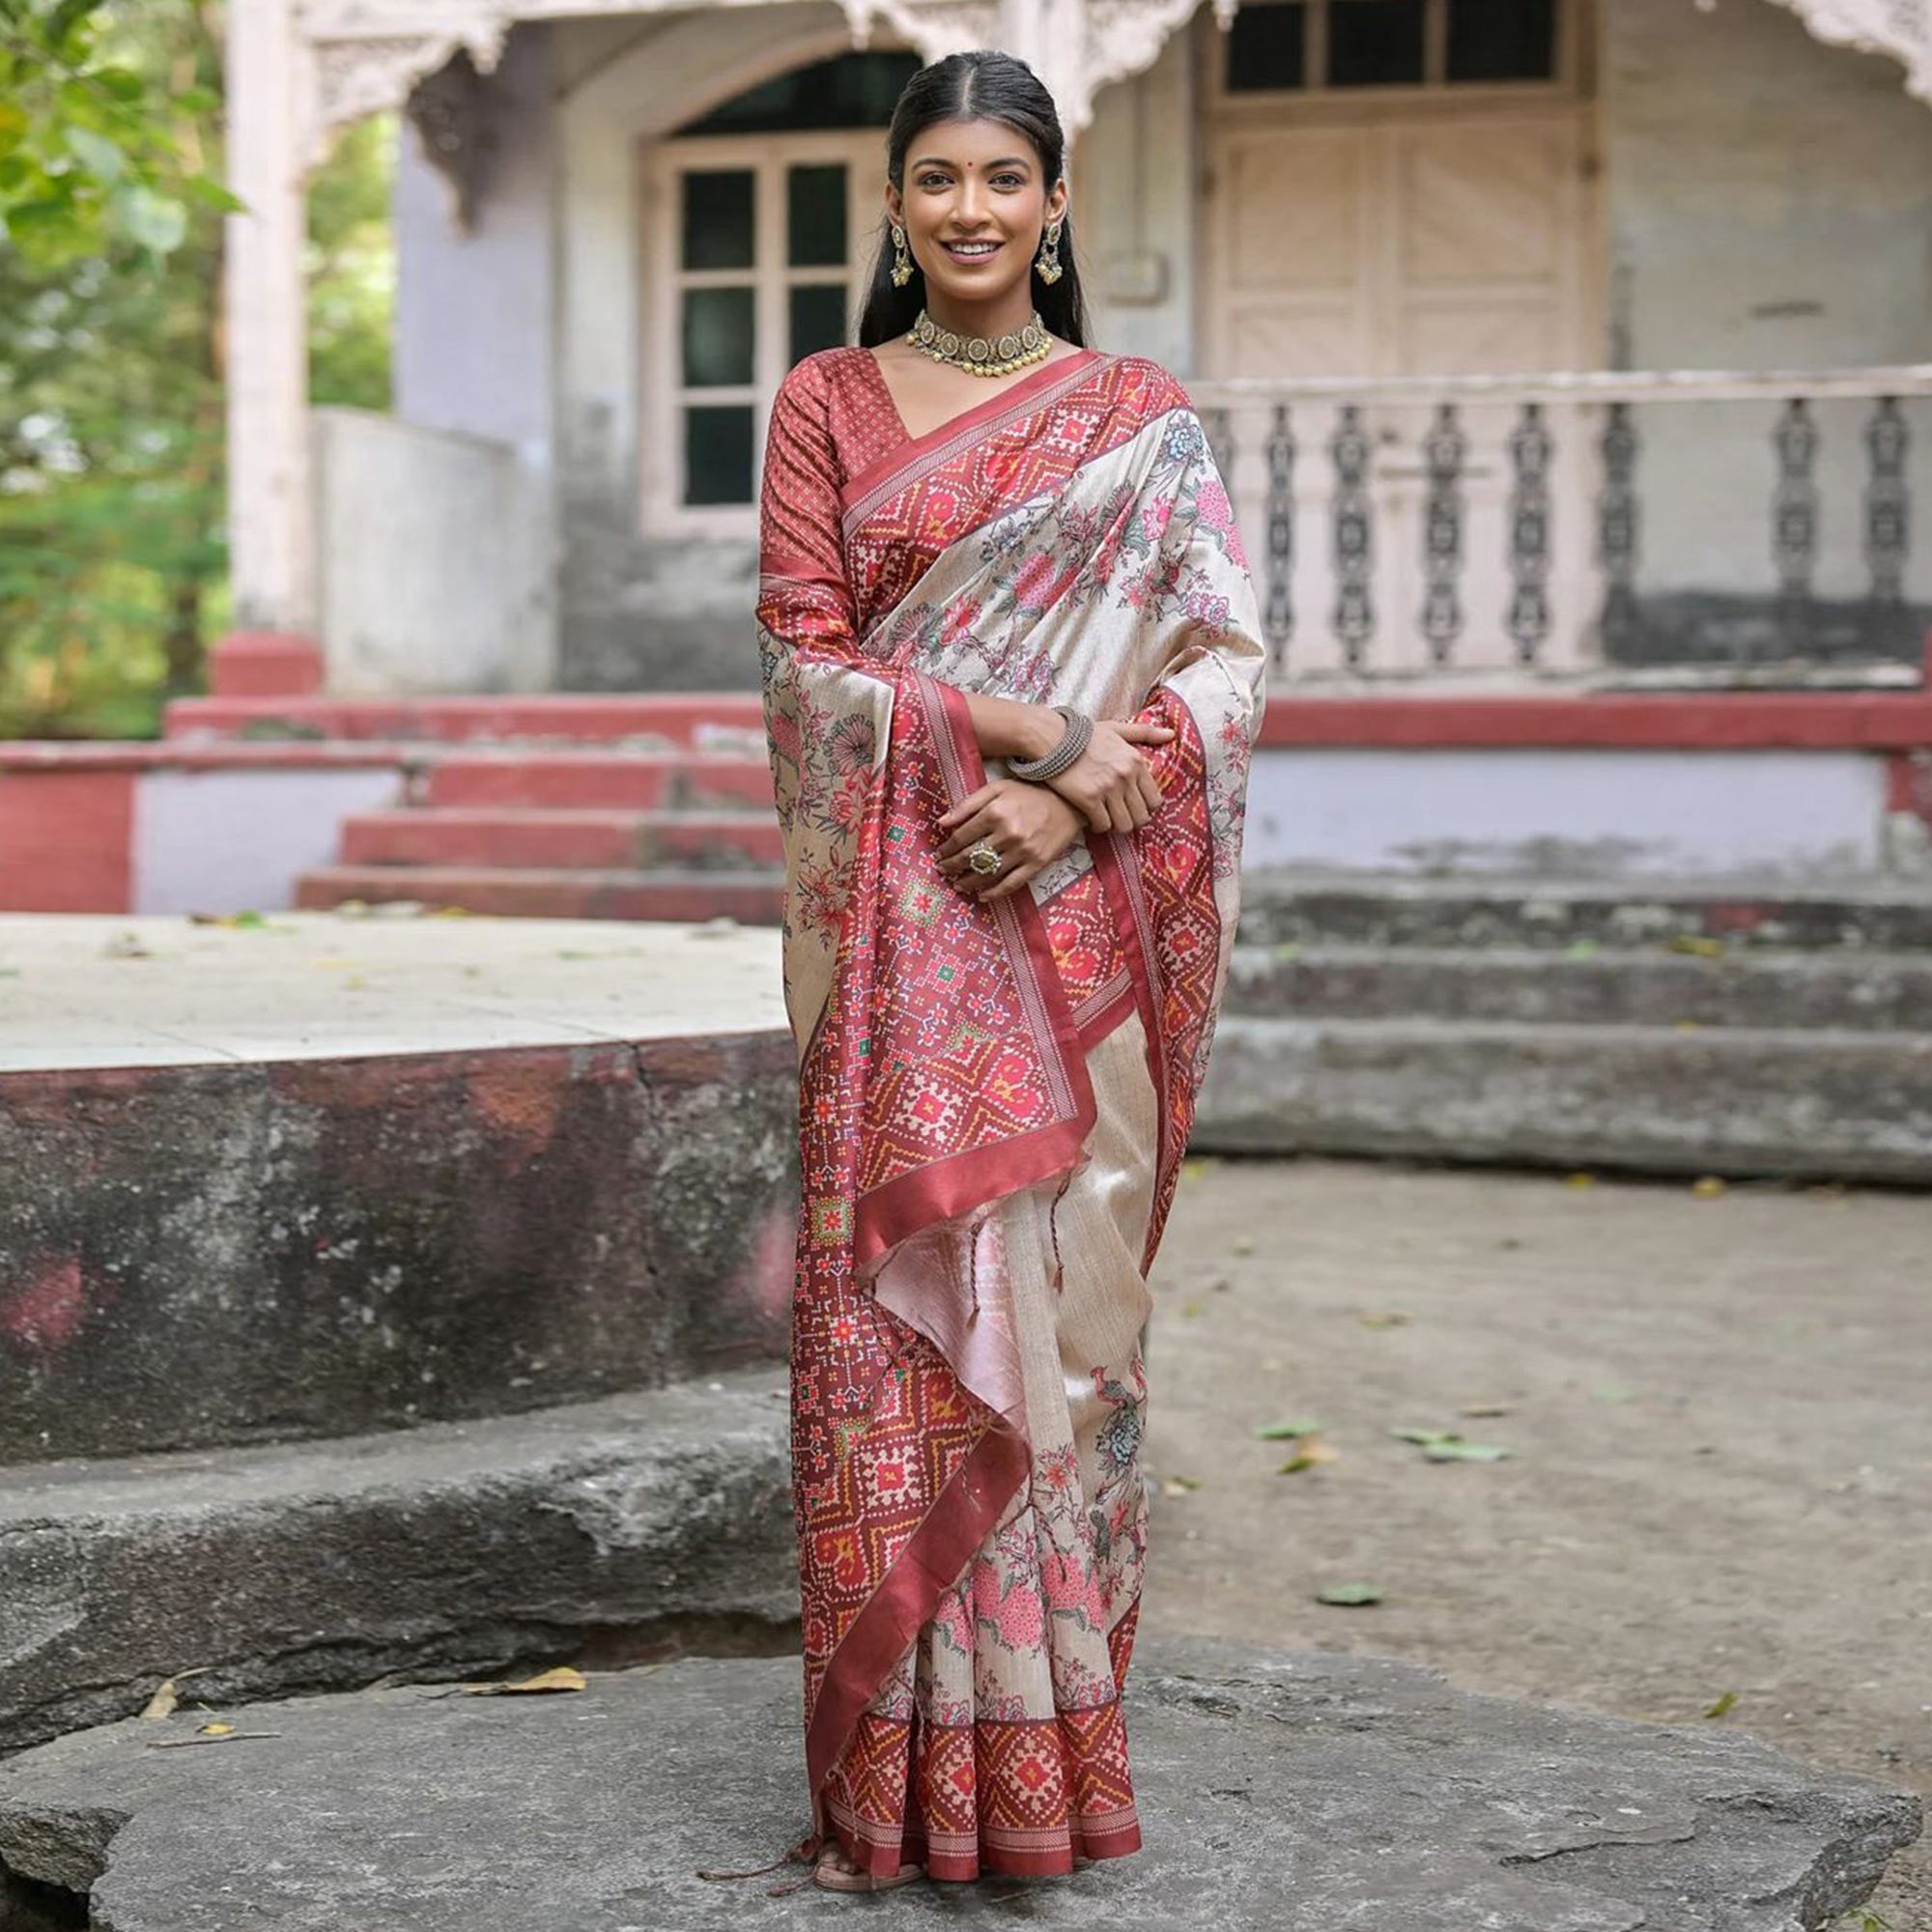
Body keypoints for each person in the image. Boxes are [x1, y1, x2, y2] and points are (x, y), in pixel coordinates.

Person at [754, 46, 1266, 1894]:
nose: (971, 209)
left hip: (1076, 925)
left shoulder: (1134, 414)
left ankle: (1047, 1767)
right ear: (894, 206)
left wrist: (1076, 808)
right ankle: (898, 1780)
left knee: (1067, 1325)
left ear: (1057, 209)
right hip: (896, 927)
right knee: (897, 1333)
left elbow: (1224, 663)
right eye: (937, 179)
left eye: (1006, 178)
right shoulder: (825, 401)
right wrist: (1045, 732)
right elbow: (806, 667)